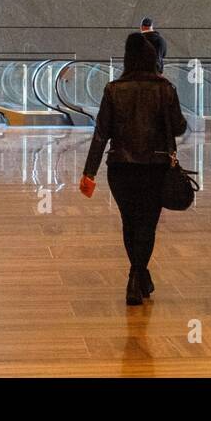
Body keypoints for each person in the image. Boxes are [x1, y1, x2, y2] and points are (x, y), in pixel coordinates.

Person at [79, 32, 187, 306]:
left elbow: (101, 133)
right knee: (147, 224)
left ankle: (138, 277)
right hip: (156, 167)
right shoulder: (165, 89)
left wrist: (89, 172)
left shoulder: (113, 89)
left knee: (130, 222)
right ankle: (137, 276)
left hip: (121, 167)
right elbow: (180, 127)